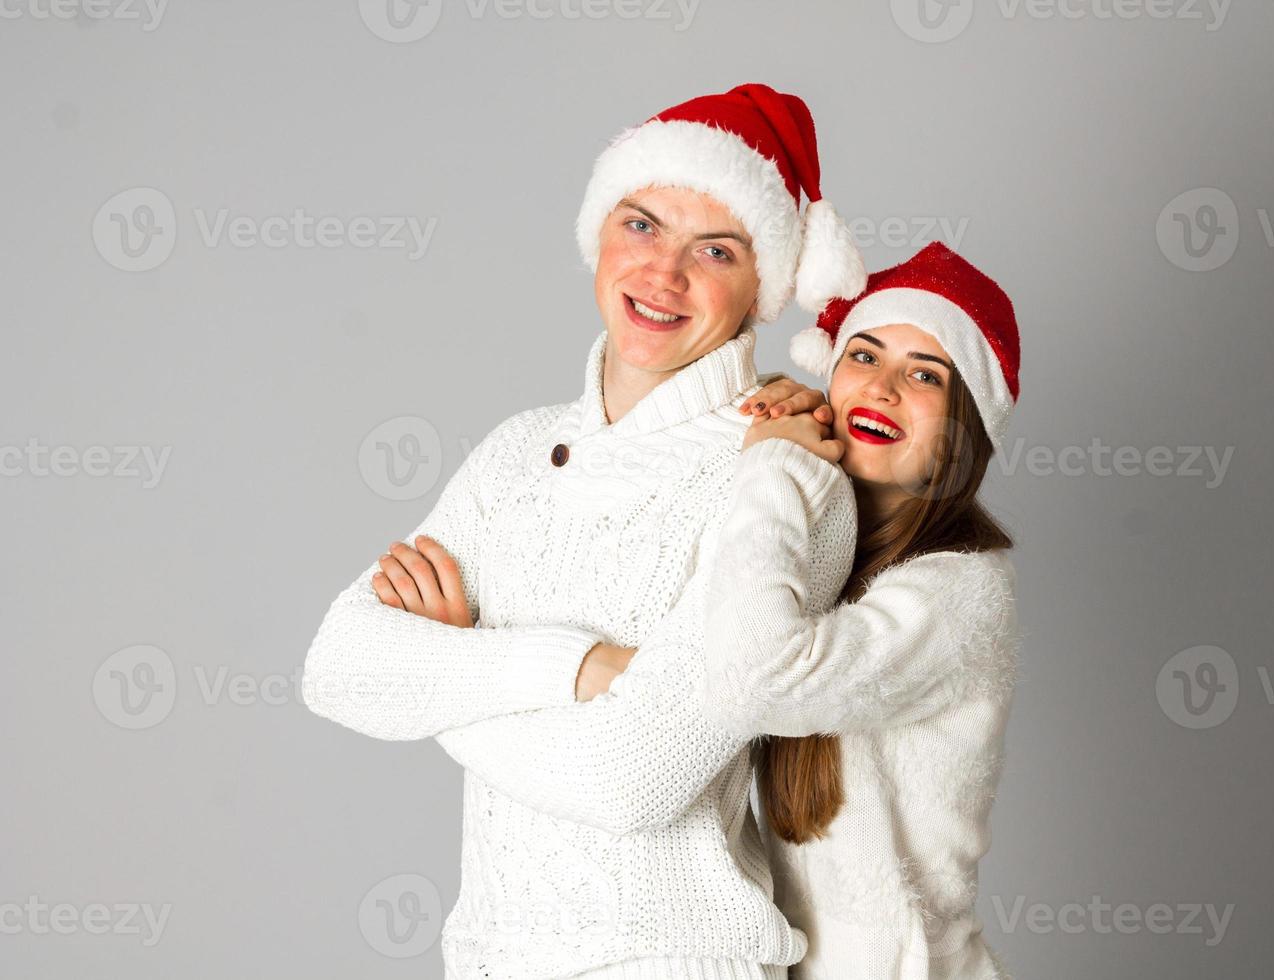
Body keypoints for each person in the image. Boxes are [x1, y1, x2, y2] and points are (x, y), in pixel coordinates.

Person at [301, 83, 867, 979]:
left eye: (714, 249)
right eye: (640, 225)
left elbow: (628, 777)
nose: (663, 274)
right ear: (597, 234)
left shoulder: (788, 479)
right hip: (489, 958)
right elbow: (337, 666)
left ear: (765, 287)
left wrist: (450, 669)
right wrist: (575, 665)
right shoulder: (516, 453)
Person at [702, 241, 1024, 979]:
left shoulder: (963, 592)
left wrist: (774, 465)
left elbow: (749, 678)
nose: (881, 389)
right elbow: (709, 635)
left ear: (961, 436)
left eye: (924, 376)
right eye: (864, 357)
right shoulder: (820, 553)